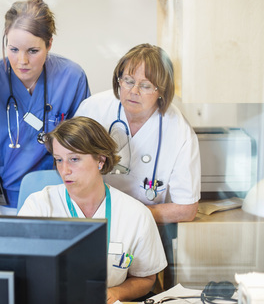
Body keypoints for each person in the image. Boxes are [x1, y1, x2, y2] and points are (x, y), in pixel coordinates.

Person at [75, 43, 200, 289]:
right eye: (128, 80)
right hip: (91, 220)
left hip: (147, 227)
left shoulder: (179, 131)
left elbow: (187, 209)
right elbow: (70, 167)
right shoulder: (93, 110)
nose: (133, 91)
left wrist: (131, 216)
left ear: (161, 91)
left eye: (145, 86)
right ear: (118, 80)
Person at [0, 0, 90, 215]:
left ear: (49, 44)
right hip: (0, 201)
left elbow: (83, 147)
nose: (22, 61)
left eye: (33, 51)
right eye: (13, 49)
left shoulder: (71, 78)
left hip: (57, 198)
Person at [18, 116, 167, 304]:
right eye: (58, 160)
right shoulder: (38, 207)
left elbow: (146, 279)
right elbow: (19, 273)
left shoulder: (136, 215)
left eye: (74, 159)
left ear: (100, 160)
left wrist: (116, 293)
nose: (64, 170)